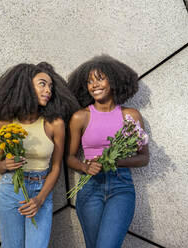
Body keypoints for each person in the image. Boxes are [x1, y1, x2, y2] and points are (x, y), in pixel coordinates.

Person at [0, 62, 79, 248]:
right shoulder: (5, 122)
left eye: (50, 86)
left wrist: (40, 199)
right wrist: (6, 165)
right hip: (11, 189)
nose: (48, 90)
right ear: (25, 86)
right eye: (42, 84)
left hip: (40, 190)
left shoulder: (55, 124)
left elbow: (56, 167)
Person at [66, 54, 150, 248]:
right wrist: (85, 167)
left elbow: (144, 157)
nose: (94, 85)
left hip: (121, 187)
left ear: (113, 80)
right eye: (89, 81)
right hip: (90, 188)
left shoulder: (131, 115)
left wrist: (114, 161)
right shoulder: (81, 117)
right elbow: (69, 157)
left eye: (100, 78)